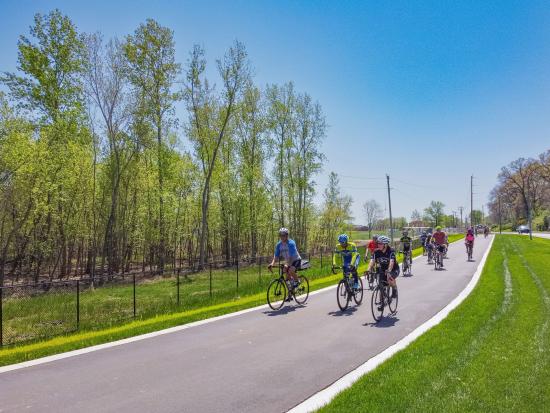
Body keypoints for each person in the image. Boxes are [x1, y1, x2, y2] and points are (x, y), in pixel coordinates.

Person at [268, 228, 302, 298]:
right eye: (280, 235)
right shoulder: (279, 245)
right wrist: (272, 264)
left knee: (290, 270)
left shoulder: (291, 243)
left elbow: (291, 257)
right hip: (288, 260)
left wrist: (287, 265)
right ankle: (290, 293)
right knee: (286, 276)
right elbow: (276, 256)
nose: (282, 237)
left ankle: (297, 281)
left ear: (287, 235)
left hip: (296, 260)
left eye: (283, 235)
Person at [367, 235, 399, 308]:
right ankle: (383, 302)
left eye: (381, 243)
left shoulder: (391, 251)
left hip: (394, 269)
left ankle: (394, 289)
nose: (379, 245)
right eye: (378, 243)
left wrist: (389, 270)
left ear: (385, 244)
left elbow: (391, 262)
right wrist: (368, 269)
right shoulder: (377, 252)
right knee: (381, 284)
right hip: (383, 269)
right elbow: (372, 260)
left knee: (389, 278)